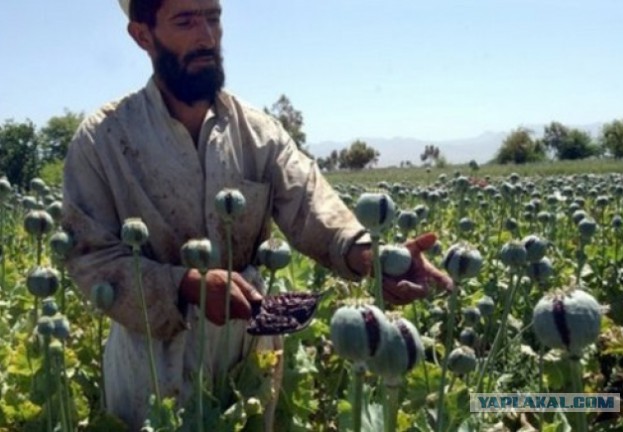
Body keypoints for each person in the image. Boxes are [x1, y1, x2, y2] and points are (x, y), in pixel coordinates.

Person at [61, 0, 453, 429]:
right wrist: (185, 285)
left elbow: (309, 202)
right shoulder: (104, 138)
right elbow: (89, 257)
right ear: (142, 35)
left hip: (250, 350)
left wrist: (368, 255)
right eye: (186, 21)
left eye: (213, 16)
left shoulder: (258, 131)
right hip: (152, 358)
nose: (207, 36)